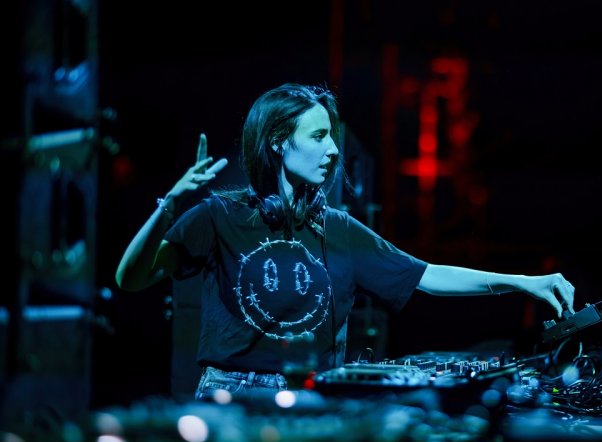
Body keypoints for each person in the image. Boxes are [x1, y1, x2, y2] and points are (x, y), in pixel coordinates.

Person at [115, 82, 576, 401]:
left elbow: (428, 276)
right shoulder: (218, 216)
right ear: (278, 141)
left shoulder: (338, 229)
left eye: (332, 137)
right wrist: (168, 205)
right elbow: (130, 279)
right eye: (318, 136)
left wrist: (524, 282)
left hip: (312, 394)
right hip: (230, 396)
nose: (333, 149)